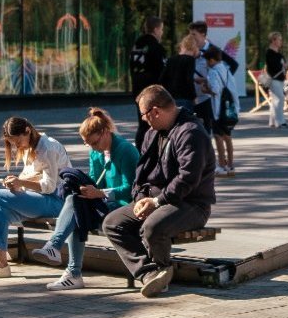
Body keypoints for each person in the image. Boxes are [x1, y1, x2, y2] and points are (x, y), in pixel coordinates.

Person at [103, 86, 214, 298]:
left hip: (191, 204)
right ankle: (149, 273)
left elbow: (188, 178)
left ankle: (163, 268)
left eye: (144, 115)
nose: (143, 120)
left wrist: (156, 202)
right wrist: (140, 198)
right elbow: (141, 172)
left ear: (155, 111)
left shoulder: (190, 132)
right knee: (112, 223)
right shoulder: (152, 134)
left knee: (151, 228)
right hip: (156, 200)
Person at [33, 108, 139, 291]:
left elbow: (132, 189)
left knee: (77, 209)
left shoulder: (125, 150)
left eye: (94, 142)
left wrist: (100, 193)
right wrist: (84, 188)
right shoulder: (96, 153)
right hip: (105, 204)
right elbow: (94, 179)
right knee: (77, 204)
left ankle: (66, 263)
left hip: (125, 206)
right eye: (87, 144)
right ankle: (62, 258)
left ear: (105, 132)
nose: (93, 147)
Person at [0, 116, 72, 279]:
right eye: (14, 143)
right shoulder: (30, 146)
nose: (17, 146)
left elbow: (49, 187)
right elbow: (30, 177)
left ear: (27, 131)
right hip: (40, 199)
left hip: (57, 201)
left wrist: (21, 182)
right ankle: (2, 264)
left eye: (17, 141)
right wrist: (16, 184)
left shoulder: (47, 147)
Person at [129, 16, 165, 147]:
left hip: (137, 88)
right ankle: (150, 151)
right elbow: (161, 72)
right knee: (153, 123)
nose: (162, 33)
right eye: (161, 29)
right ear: (156, 29)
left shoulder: (137, 45)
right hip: (151, 90)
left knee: (142, 122)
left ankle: (139, 151)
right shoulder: (156, 47)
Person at [203, 45, 238, 175]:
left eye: (207, 61)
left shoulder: (213, 72)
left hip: (217, 109)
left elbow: (216, 90)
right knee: (228, 137)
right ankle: (230, 165)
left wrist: (206, 89)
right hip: (228, 108)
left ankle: (221, 166)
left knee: (218, 137)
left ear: (211, 60)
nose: (207, 63)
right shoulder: (226, 69)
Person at [264, 31, 288, 128]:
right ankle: (280, 121)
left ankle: (272, 121)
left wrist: (285, 65)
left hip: (280, 79)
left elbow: (283, 64)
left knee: (275, 100)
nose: (281, 42)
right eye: (279, 40)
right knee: (280, 98)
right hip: (274, 79)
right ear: (273, 41)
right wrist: (283, 65)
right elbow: (274, 66)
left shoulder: (279, 53)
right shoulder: (269, 53)